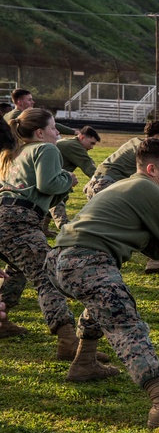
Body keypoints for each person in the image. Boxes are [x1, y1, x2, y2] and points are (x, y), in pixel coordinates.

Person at [46, 138, 159, 429]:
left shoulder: (126, 184)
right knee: (127, 325)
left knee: (101, 301)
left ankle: (84, 362)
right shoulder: (152, 191)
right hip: (87, 260)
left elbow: (153, 250)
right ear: (152, 169)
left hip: (60, 260)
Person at [0, 108, 94, 359]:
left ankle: (3, 318)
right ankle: (68, 342)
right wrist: (68, 179)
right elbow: (48, 185)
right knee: (49, 276)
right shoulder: (47, 149)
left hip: (5, 217)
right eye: (54, 128)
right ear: (40, 132)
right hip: (21, 221)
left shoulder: (15, 152)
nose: (57, 133)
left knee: (18, 268)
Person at [85, 120, 159, 274]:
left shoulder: (135, 142)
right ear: (157, 136)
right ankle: (153, 260)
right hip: (106, 185)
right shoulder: (146, 150)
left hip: (96, 184)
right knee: (146, 217)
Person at [48, 126, 102, 233]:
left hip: (53, 177)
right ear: (81, 137)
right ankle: (65, 229)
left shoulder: (72, 143)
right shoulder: (74, 146)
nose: (92, 147)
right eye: (91, 143)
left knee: (60, 197)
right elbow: (89, 167)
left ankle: (44, 228)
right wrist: (103, 181)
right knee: (57, 199)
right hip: (52, 179)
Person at [3, 88, 76, 135]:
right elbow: (48, 123)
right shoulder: (24, 116)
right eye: (29, 100)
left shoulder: (7, 115)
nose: (33, 102)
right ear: (20, 102)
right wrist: (74, 132)